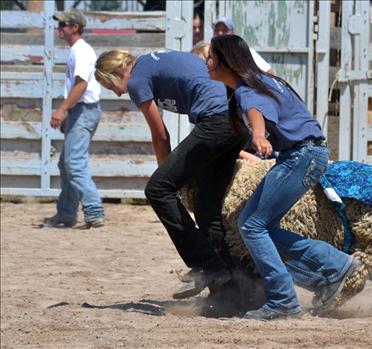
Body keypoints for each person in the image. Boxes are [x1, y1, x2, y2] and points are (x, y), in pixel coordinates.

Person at [207, 35, 358, 320]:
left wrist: (259, 134)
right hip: (307, 154)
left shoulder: (247, 89)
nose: (207, 61)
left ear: (226, 62)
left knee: (251, 226)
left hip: (302, 156)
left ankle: (283, 300)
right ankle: (334, 264)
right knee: (262, 226)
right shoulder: (262, 81)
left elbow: (256, 110)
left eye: (211, 57)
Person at [95, 49, 246, 300]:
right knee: (206, 208)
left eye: (109, 85)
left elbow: (160, 134)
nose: (115, 92)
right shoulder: (153, 62)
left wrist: (166, 177)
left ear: (117, 72)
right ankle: (230, 293)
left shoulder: (136, 80)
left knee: (156, 189)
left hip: (216, 121)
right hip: (236, 120)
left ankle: (207, 266)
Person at [42, 10, 105, 229]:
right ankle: (67, 213)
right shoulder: (78, 50)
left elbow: (81, 85)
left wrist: (62, 110)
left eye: (63, 24)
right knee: (67, 162)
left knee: (73, 162)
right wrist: (69, 113)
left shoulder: (81, 51)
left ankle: (94, 210)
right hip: (82, 110)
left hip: (84, 109)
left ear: (75, 27)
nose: (59, 28)